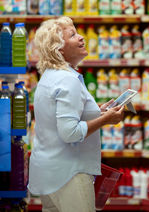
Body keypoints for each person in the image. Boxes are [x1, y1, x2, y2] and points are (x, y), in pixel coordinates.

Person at [28, 16, 124, 212]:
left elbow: (61, 115)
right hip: (69, 175)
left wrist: (97, 110)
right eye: (72, 35)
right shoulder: (67, 80)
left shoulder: (50, 76)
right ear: (59, 49)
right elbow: (69, 132)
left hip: (48, 173)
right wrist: (106, 119)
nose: (81, 38)